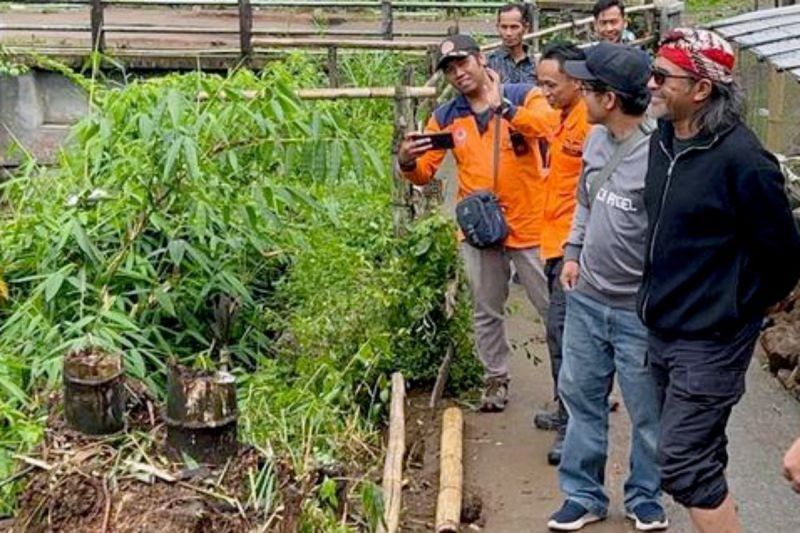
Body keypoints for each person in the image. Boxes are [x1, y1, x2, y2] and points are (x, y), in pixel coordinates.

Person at [640, 28, 800, 533]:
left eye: (663, 76)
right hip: (664, 327)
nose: (651, 85)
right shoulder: (665, 140)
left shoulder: (743, 161)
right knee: (698, 457)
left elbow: (783, 253)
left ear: (701, 89)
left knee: (683, 464)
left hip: (710, 337)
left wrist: (738, 305)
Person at [398, 34, 560, 412]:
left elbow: (546, 126)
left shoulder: (524, 95)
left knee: (554, 310)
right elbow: (424, 174)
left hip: (531, 224)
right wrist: (406, 161)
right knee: (485, 309)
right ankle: (495, 380)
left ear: (480, 59)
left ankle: (572, 386)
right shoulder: (447, 116)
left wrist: (504, 108)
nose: (458, 73)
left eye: (462, 63)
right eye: (449, 69)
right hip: (479, 230)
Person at [547, 42, 667, 531]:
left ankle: (645, 495)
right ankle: (583, 494)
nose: (579, 92)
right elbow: (585, 200)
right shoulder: (595, 140)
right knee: (580, 396)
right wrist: (573, 252)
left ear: (610, 98)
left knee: (647, 409)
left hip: (638, 309)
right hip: (588, 298)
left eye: (587, 86)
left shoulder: (660, 153)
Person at [528, 41, 591, 467]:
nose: (545, 91)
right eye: (541, 84)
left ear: (576, 81)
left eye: (552, 84)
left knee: (568, 336)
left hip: (577, 248)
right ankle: (565, 409)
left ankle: (575, 424)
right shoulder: (562, 116)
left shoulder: (590, 122)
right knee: (558, 334)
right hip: (555, 241)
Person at [487, 3, 537, 84]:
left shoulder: (536, 63)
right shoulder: (489, 63)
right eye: (504, 27)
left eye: (514, 27)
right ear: (498, 28)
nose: (508, 33)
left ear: (526, 28)